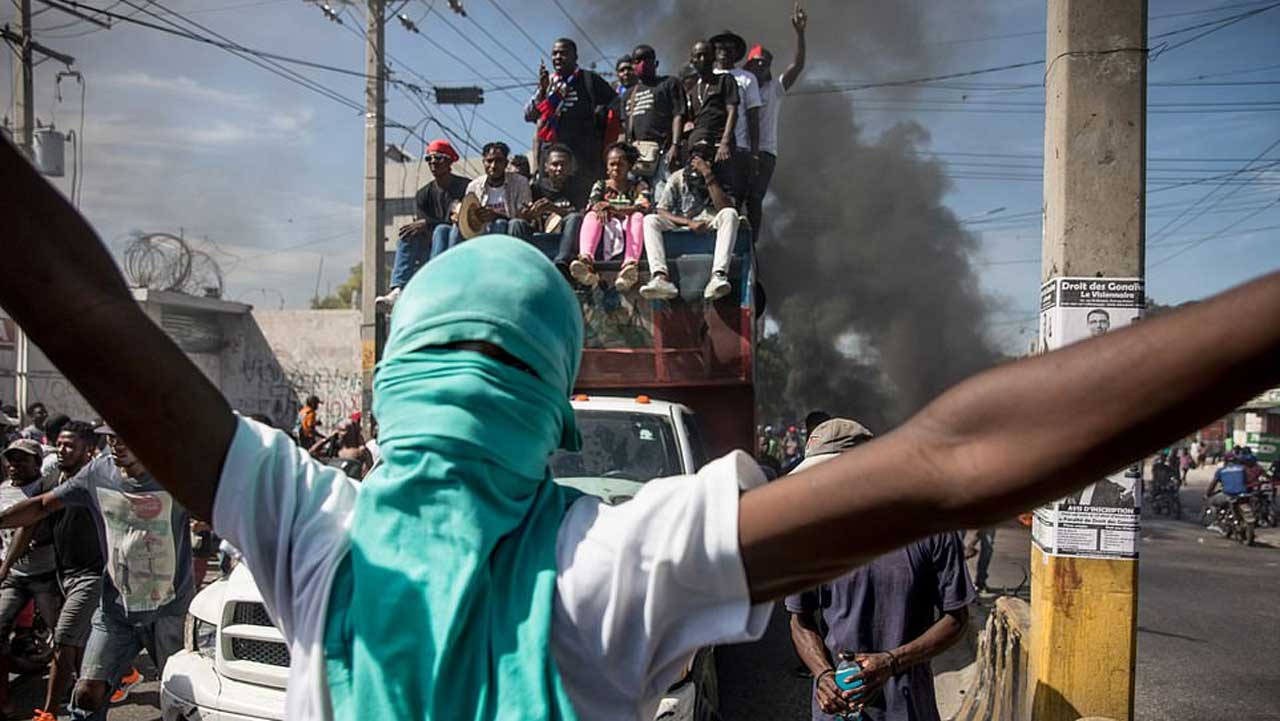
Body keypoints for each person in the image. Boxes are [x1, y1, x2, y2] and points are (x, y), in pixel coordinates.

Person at [9, 139, 1280, 721]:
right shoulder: (613, 563)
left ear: (387, 380)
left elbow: (83, 307)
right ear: (554, 408)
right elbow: (956, 458)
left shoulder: (304, 532)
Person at [0, 426, 194, 721]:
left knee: (179, 701)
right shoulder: (98, 473)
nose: (116, 444)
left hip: (169, 611)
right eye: (111, 437)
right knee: (87, 693)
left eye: (125, 436)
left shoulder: (177, 475)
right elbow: (41, 505)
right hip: (115, 611)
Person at [787, 418, 972, 721]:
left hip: (907, 709)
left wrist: (892, 662)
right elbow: (801, 619)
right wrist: (822, 675)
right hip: (837, 712)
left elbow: (957, 620)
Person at [19, 421, 105, 721]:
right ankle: (99, 694)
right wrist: (6, 567)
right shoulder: (52, 478)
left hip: (94, 574)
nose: (61, 449)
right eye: (59, 443)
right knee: (82, 644)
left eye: (70, 445)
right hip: (62, 572)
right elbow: (33, 518)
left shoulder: (97, 480)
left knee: (65, 638)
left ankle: (49, 713)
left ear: (88, 451)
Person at [0, 439, 64, 710]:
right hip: (14, 576)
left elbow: (44, 526)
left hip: (46, 575)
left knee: (63, 635)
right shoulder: (2, 490)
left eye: (22, 460)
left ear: (37, 463)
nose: (15, 466)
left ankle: (70, 686)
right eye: (11, 460)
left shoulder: (46, 491)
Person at [376, 139, 470, 313]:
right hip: (433, 247)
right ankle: (398, 289)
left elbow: (466, 221)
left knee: (442, 231)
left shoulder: (465, 187)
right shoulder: (423, 194)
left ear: (450, 161)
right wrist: (424, 227)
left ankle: (435, 281)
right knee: (409, 233)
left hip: (459, 244)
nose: (433, 163)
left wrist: (429, 224)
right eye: (429, 159)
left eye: (439, 158)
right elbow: (424, 229)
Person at [639, 143, 741, 301]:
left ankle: (718, 275)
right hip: (684, 224)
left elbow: (725, 207)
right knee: (650, 220)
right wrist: (688, 223)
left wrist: (707, 175)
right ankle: (660, 277)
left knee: (730, 214)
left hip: (711, 223)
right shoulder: (678, 177)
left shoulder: (719, 176)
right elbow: (661, 210)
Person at [742, 1, 808, 242]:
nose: (760, 67)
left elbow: (798, 65)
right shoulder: (741, 86)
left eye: (764, 64)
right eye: (756, 63)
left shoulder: (774, 89)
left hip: (765, 152)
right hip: (741, 149)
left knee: (755, 197)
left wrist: (800, 34)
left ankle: (752, 242)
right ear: (748, 65)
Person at [526, 38, 617, 180]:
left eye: (563, 53)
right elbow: (529, 115)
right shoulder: (549, 82)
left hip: (583, 159)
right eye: (554, 54)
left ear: (575, 56)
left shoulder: (589, 79)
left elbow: (616, 104)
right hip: (553, 159)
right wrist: (542, 90)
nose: (558, 58)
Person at [570, 142, 652, 292]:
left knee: (638, 216)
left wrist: (614, 209)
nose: (616, 168)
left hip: (629, 223)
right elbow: (594, 204)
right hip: (606, 223)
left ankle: (630, 265)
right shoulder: (600, 185)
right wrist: (602, 208)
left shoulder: (639, 185)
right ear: (607, 168)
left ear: (629, 166)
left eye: (621, 164)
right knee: (591, 216)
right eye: (612, 164)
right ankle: (586, 261)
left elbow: (643, 205)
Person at [622, 44, 686, 196]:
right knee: (637, 198)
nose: (642, 64)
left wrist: (675, 146)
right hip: (637, 156)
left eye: (647, 59)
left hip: (663, 153)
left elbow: (679, 115)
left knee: (663, 198)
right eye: (637, 60)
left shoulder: (669, 83)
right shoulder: (628, 94)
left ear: (655, 63)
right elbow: (624, 127)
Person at [709, 29, 763, 205]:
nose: (724, 52)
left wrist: (754, 154)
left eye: (729, 48)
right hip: (710, 147)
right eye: (719, 48)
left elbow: (753, 118)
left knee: (735, 199)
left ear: (736, 52)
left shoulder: (747, 79)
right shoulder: (706, 78)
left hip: (737, 148)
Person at [453, 142, 534, 245]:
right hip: (480, 233)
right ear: (483, 162)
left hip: (509, 233)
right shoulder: (474, 186)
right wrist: (459, 217)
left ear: (506, 163)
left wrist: (496, 216)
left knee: (502, 223)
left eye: (499, 161)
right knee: (451, 228)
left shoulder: (520, 183)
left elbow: (522, 218)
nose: (493, 166)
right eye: (489, 161)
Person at [530, 144, 592, 276]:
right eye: (555, 164)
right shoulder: (536, 188)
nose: (559, 169)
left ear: (570, 168)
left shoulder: (579, 187)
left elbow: (581, 216)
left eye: (563, 165)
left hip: (567, 238)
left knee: (574, 218)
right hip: (541, 233)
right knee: (516, 224)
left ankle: (561, 263)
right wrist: (530, 213)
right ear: (546, 167)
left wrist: (554, 209)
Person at [685, 40, 739, 191]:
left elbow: (733, 112)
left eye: (706, 55)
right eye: (698, 56)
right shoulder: (694, 89)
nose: (703, 59)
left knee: (723, 189)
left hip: (719, 145)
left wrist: (725, 142)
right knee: (697, 189)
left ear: (713, 57)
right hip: (699, 147)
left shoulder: (725, 80)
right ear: (692, 60)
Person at [309, 419, 373, 481]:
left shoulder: (361, 451)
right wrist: (327, 438)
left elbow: (370, 471)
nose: (339, 433)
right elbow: (312, 452)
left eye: (343, 430)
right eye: (338, 430)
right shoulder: (335, 450)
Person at [1205, 452, 1248, 522]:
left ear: (1225, 461)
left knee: (1211, 501)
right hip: (1242, 494)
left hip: (1228, 494)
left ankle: (1215, 521)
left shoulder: (1221, 470)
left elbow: (1213, 484)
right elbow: (1246, 480)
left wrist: (1207, 494)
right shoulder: (1242, 468)